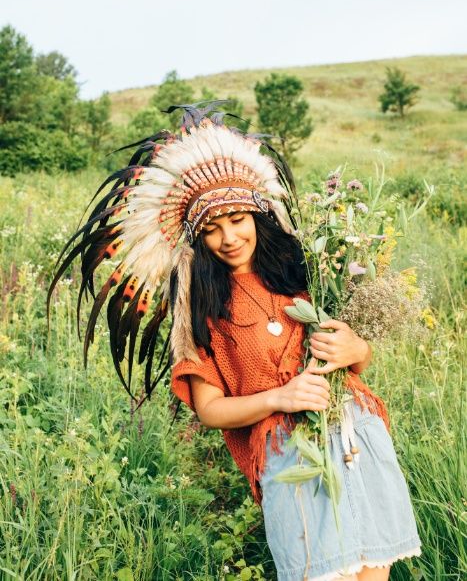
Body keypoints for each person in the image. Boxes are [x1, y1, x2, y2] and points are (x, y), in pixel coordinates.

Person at [50, 102, 421, 581]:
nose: (228, 237)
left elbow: (349, 358)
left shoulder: (305, 269)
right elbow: (209, 409)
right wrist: (279, 397)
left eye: (237, 219)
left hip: (357, 436)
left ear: (257, 215)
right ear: (196, 238)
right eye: (211, 228)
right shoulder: (202, 310)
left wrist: (358, 349)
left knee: (375, 573)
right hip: (292, 456)